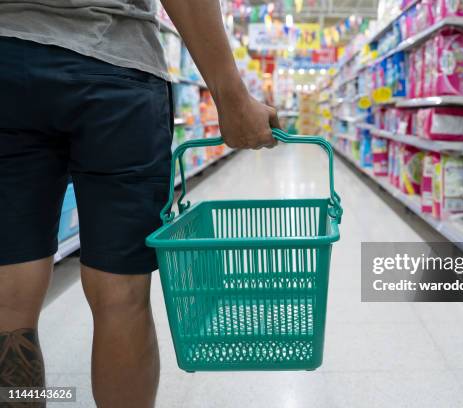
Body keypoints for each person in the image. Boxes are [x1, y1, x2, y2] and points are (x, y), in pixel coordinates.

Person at [0, 0, 279, 407]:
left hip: (8, 60)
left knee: (8, 297)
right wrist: (231, 97)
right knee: (121, 296)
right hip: (114, 67)